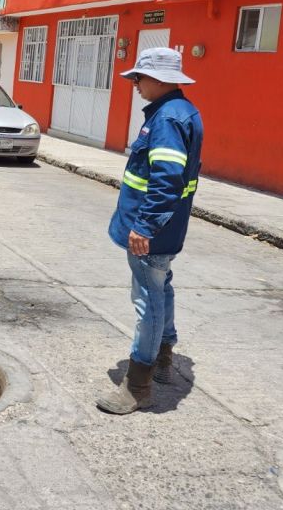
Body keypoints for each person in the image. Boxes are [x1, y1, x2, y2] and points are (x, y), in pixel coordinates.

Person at [96, 47, 203, 415]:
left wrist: (145, 225)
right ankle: (164, 356)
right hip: (166, 228)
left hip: (152, 229)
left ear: (158, 78)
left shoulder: (168, 119)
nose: (136, 84)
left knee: (148, 299)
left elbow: (167, 179)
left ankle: (138, 385)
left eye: (139, 77)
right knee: (161, 285)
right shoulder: (179, 112)